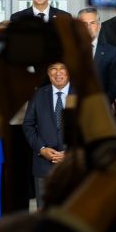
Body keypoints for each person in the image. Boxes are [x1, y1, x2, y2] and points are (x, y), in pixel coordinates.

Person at [24, 61, 70, 206]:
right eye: (53, 69)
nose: (58, 73)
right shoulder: (38, 95)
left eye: (62, 69)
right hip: (43, 165)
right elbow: (28, 125)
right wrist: (41, 149)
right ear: (48, 74)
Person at [75, 7, 116, 110]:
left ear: (99, 26)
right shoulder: (68, 51)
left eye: (92, 23)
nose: (88, 27)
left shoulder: (111, 52)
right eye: (84, 24)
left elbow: (114, 85)